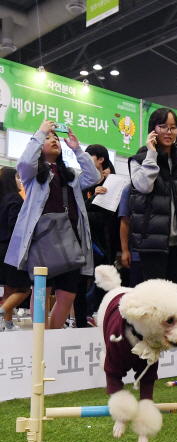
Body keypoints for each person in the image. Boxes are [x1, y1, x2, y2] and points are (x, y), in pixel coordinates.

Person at [6, 119, 99, 329]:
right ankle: (40, 341)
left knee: (67, 295)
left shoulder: (70, 175)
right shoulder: (33, 174)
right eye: (48, 138)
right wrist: (40, 132)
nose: (53, 140)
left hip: (71, 238)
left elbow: (93, 177)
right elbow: (24, 163)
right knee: (41, 293)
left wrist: (77, 149)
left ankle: (52, 339)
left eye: (55, 137)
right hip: (43, 240)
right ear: (40, 146)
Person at [129, 107, 177, 290]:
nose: (169, 132)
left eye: (173, 127)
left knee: (176, 298)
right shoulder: (138, 160)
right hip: (152, 243)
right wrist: (151, 154)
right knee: (155, 299)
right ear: (153, 129)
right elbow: (144, 186)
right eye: (163, 127)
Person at [74, 144, 112, 327]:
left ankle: (94, 315)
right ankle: (80, 320)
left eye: (90, 157)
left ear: (100, 159)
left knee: (103, 283)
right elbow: (76, 210)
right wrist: (89, 201)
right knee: (80, 284)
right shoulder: (81, 182)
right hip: (81, 243)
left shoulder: (110, 183)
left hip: (102, 244)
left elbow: (106, 217)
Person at [0, 167, 31, 331]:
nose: (20, 181)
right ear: (11, 180)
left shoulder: (2, 199)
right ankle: (2, 313)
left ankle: (7, 324)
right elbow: (15, 227)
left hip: (1, 250)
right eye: (18, 178)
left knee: (8, 290)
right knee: (25, 288)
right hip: (12, 249)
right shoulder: (15, 199)